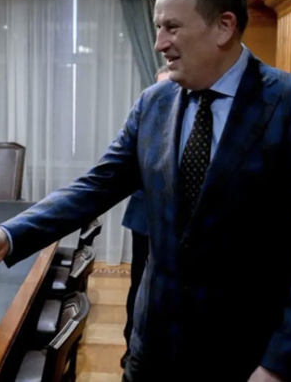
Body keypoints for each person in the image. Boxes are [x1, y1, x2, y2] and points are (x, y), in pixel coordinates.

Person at [0, 0, 291, 382]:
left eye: (172, 27)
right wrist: (10, 236)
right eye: (157, 28)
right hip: (153, 345)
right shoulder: (154, 102)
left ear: (224, 26)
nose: (159, 43)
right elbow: (95, 187)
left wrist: (279, 365)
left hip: (246, 353)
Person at [119, 64, 171, 369]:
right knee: (139, 283)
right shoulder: (146, 121)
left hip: (180, 225)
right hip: (144, 218)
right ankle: (132, 347)